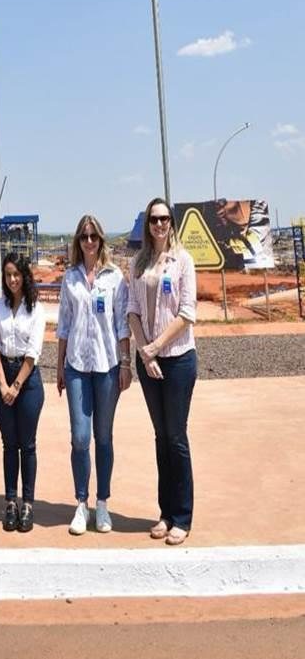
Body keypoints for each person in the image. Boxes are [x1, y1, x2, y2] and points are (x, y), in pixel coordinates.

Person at [128, 197, 197, 546]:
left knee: (176, 437)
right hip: (148, 360)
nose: (159, 225)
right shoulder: (138, 263)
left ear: (171, 223)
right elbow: (132, 310)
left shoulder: (183, 261)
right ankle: (165, 512)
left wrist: (156, 347)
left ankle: (182, 516)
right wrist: (144, 350)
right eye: (154, 219)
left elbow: (187, 314)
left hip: (177, 358)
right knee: (160, 438)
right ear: (147, 224)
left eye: (164, 219)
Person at [56, 214, 131, 536]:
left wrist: (126, 363)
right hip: (76, 366)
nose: (89, 242)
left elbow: (123, 324)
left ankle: (102, 503)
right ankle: (81, 504)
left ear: (101, 240)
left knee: (104, 437)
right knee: (80, 438)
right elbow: (63, 324)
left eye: (94, 237)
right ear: (78, 241)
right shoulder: (70, 277)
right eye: (84, 237)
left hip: (107, 366)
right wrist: (58, 365)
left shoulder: (115, 277)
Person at [0, 253, 46, 533]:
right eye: (8, 274)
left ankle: (28, 504)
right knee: (9, 444)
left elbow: (33, 352)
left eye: (16, 274)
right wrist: (2, 384)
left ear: (24, 276)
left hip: (28, 381)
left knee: (28, 444)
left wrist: (16, 386)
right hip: (3, 378)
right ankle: (11, 501)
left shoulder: (36, 309)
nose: (12, 279)